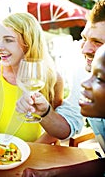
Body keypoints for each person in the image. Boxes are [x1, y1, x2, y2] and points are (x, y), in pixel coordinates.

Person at [0, 12, 64, 143]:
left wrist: (29, 150)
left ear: (28, 43)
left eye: (8, 40)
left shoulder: (52, 78)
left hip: (36, 151)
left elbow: (55, 130)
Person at [17, 0, 105, 145]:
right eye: (84, 38)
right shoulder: (84, 73)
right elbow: (68, 125)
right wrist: (45, 112)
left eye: (97, 42)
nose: (84, 49)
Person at [22, 44, 105, 177]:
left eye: (100, 78)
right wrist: (46, 174)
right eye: (84, 39)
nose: (84, 49)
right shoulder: (83, 70)